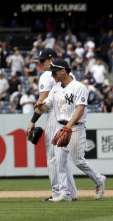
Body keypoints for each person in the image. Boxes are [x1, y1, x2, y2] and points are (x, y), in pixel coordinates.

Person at [33, 59, 106, 201]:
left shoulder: (78, 87)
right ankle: (65, 193)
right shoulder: (55, 89)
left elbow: (80, 109)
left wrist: (68, 126)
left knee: (78, 160)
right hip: (60, 126)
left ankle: (99, 180)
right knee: (59, 161)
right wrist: (39, 106)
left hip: (75, 127)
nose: (52, 75)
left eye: (54, 72)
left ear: (63, 71)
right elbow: (46, 107)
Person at [26, 48, 77, 201]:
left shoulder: (47, 75)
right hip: (67, 117)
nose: (40, 63)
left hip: (54, 117)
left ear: (52, 59)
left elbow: (42, 102)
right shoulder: (69, 75)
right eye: (40, 60)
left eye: (43, 60)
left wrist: (32, 121)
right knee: (62, 158)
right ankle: (71, 192)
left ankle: (57, 192)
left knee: (52, 158)